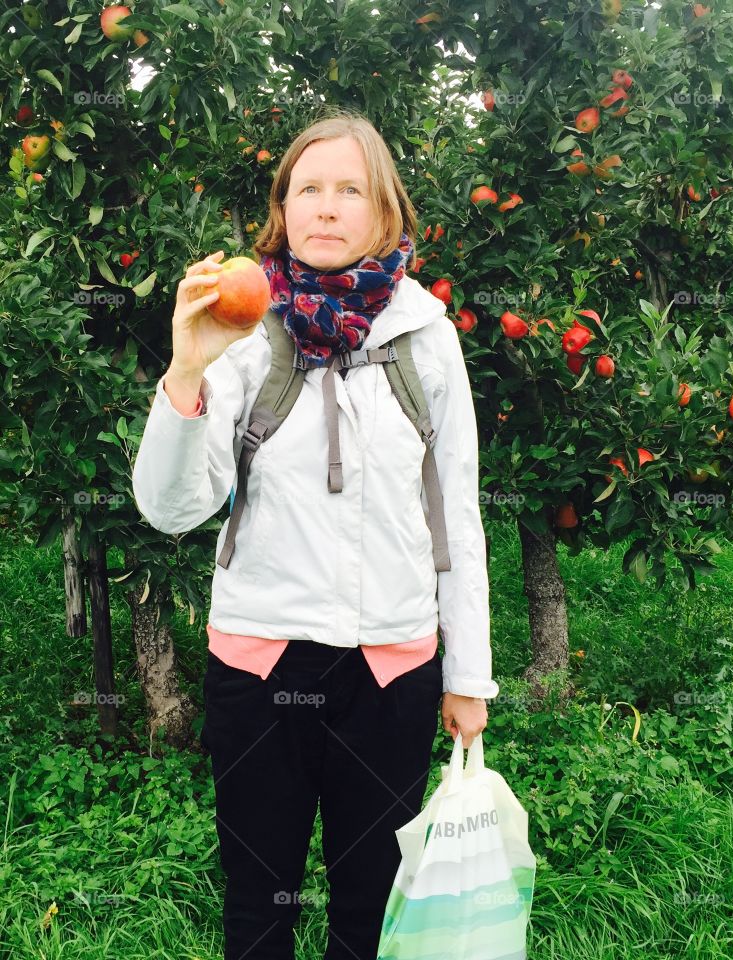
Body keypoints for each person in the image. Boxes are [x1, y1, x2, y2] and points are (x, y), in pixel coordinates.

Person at [131, 108, 499, 960]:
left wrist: (468, 674)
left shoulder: (426, 336)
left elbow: (459, 513)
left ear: (383, 213)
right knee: (260, 912)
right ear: (283, 207)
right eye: (307, 189)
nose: (325, 208)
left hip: (390, 667)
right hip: (261, 667)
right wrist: (188, 367)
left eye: (349, 190)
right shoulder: (244, 333)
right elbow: (171, 507)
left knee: (368, 913)